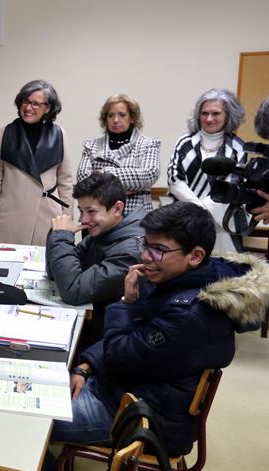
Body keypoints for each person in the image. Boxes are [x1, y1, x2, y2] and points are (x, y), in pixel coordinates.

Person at [50, 202, 268, 459]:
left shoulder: (189, 313)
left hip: (141, 417)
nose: (145, 256)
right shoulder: (178, 278)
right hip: (123, 389)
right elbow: (131, 338)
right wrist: (84, 367)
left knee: (29, 417)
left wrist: (124, 303)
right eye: (145, 244)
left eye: (158, 250)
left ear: (195, 255)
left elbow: (119, 354)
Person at [45, 173, 144, 346]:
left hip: (107, 341)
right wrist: (56, 236)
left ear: (118, 209)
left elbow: (73, 291)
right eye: (81, 211)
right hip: (94, 326)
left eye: (91, 211)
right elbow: (56, 274)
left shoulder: (130, 251)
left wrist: (61, 238)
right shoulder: (105, 232)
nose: (83, 220)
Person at [0, 79, 73, 246]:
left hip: (47, 214)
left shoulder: (59, 134)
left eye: (36, 104)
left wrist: (67, 215)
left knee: (42, 267)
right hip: (11, 213)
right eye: (25, 102)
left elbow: (65, 179)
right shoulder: (5, 133)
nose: (29, 108)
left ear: (48, 107)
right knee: (8, 265)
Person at [167, 88, 248, 253]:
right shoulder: (185, 142)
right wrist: (198, 209)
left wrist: (206, 211)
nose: (209, 119)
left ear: (228, 115)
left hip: (222, 223)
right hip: (185, 219)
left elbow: (232, 185)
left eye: (216, 113)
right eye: (204, 113)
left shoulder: (238, 147)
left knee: (223, 272)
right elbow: (174, 180)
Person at [77, 94, 161, 214]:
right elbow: (83, 180)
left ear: (132, 117)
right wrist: (126, 187)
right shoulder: (91, 146)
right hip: (98, 217)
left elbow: (149, 175)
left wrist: (102, 173)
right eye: (111, 115)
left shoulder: (148, 144)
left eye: (122, 115)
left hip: (134, 216)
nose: (115, 120)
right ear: (105, 119)